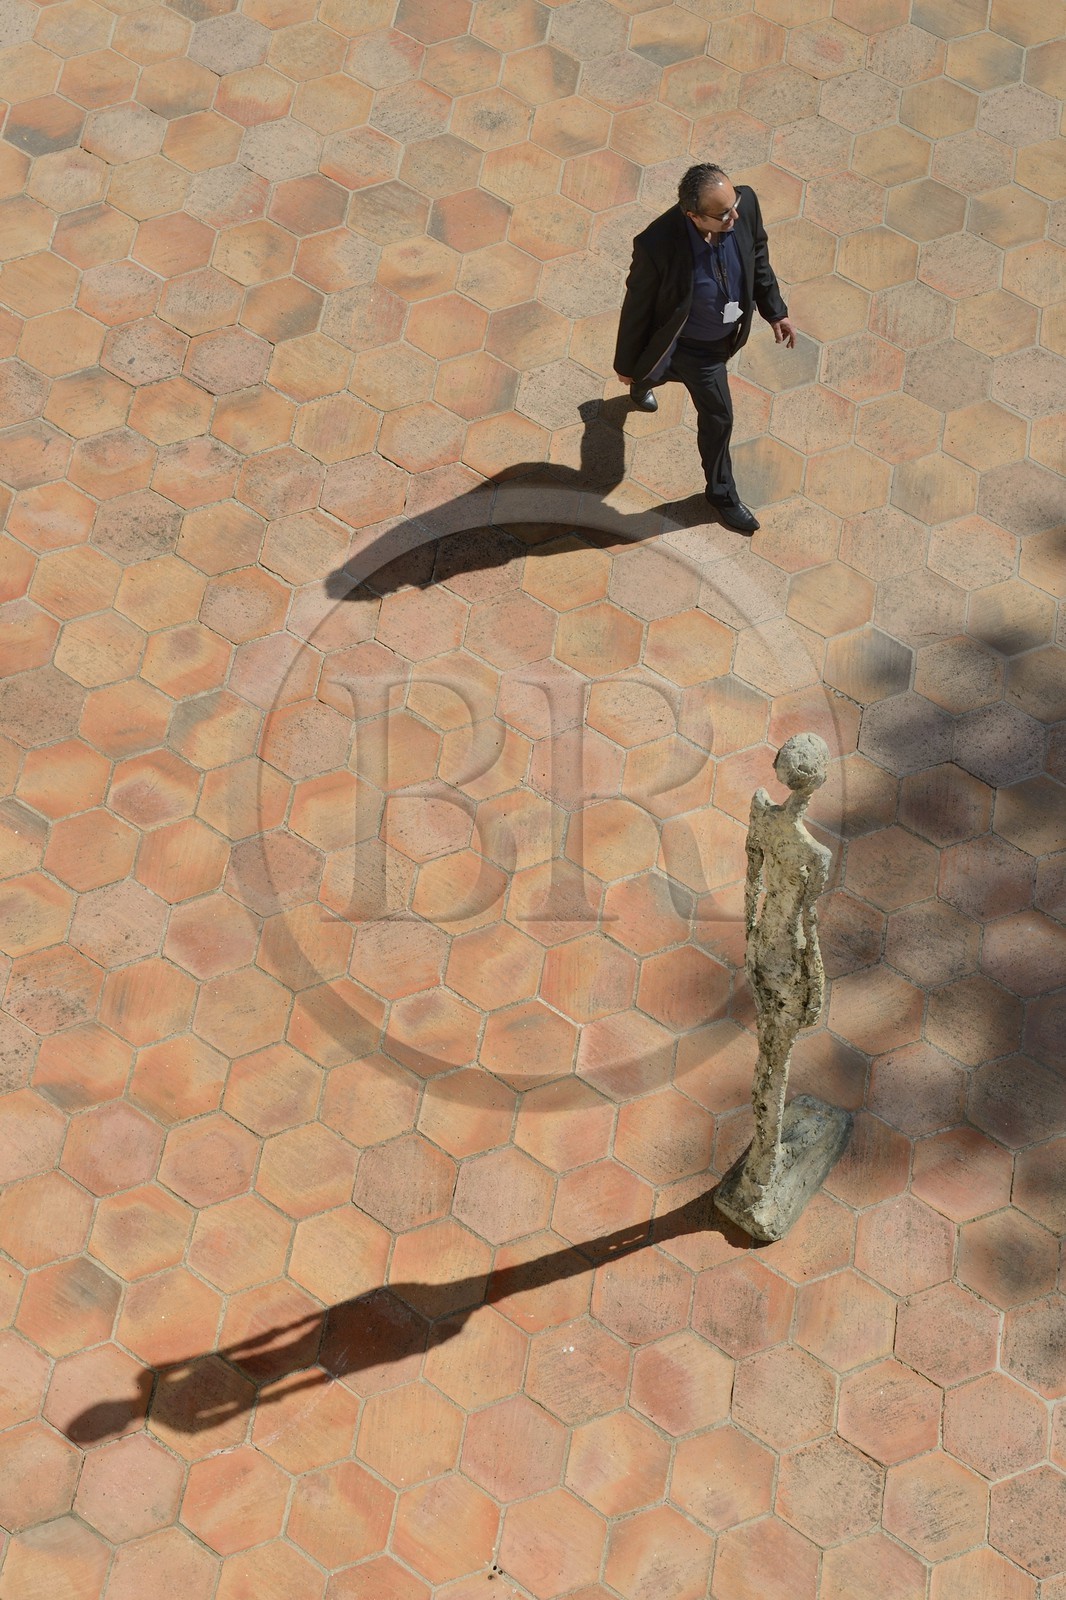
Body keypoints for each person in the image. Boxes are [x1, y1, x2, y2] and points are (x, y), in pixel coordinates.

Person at [613, 162, 795, 535]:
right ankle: (722, 495)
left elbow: (758, 255)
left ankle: (647, 377)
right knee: (719, 417)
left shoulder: (745, 208)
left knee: (660, 372)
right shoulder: (656, 245)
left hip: (722, 339)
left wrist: (774, 310)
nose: (735, 216)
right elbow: (637, 307)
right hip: (693, 347)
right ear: (694, 216)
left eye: (734, 204)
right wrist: (627, 362)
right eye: (723, 214)